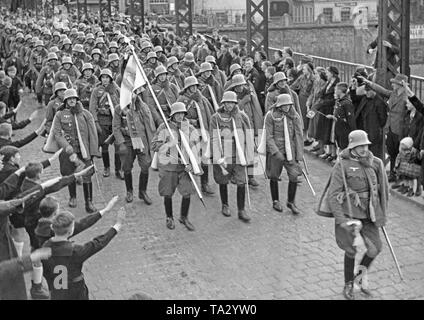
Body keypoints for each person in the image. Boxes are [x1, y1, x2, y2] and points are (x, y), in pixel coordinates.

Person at [317, 130, 389, 300]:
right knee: (350, 250)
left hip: (369, 214)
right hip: (349, 214)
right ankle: (349, 284)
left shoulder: (376, 163)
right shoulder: (342, 165)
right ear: (352, 147)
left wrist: (381, 213)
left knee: (375, 248)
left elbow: (383, 190)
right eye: (360, 146)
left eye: (366, 145)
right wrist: (341, 220)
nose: (364, 148)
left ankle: (359, 278)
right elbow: (333, 195)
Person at [41, 207, 126, 300]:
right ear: (70, 232)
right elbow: (98, 243)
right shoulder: (76, 251)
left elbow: (46, 272)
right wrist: (117, 225)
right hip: (75, 290)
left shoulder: (45, 247)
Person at [151, 102, 201, 231]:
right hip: (168, 167)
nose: (180, 116)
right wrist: (168, 145)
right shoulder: (164, 127)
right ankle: (169, 217)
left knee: (187, 193)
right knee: (168, 193)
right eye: (177, 114)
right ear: (172, 115)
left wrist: (191, 163)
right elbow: (154, 145)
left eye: (182, 113)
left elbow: (196, 147)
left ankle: (184, 217)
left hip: (184, 168)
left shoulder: (189, 128)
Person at [51, 88, 99, 213]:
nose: (72, 101)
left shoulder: (85, 114)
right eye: (69, 99)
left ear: (77, 100)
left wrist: (93, 153)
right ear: (66, 100)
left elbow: (93, 135)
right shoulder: (60, 114)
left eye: (74, 99)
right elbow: (57, 133)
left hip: (83, 150)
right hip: (68, 151)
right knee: (69, 174)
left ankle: (89, 201)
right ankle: (73, 196)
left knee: (87, 175)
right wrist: (67, 146)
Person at [113, 83, 162, 204]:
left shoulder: (142, 107)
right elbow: (116, 127)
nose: (132, 95)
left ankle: (142, 191)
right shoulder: (119, 108)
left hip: (141, 141)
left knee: (145, 165)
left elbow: (149, 125)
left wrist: (152, 142)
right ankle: (129, 191)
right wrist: (121, 143)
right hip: (127, 141)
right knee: (127, 167)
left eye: (134, 93)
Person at [210, 91, 254, 222]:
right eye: (227, 102)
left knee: (241, 182)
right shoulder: (215, 118)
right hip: (224, 155)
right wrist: (217, 156)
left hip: (238, 154)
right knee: (223, 181)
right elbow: (214, 138)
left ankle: (241, 209)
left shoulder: (241, 116)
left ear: (235, 103)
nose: (229, 105)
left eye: (232, 103)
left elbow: (248, 135)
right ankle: (225, 204)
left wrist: (249, 152)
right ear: (223, 103)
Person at [360, 74, 409, 182]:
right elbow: (382, 90)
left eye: (394, 83)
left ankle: (401, 176)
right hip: (390, 126)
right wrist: (369, 83)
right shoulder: (393, 94)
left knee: (401, 153)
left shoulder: (406, 97)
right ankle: (392, 173)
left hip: (400, 128)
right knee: (392, 152)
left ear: (400, 84)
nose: (392, 84)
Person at [263, 94, 303, 214]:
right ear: (279, 106)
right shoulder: (270, 116)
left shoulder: (294, 116)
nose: (286, 107)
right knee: (274, 176)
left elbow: (298, 135)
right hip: (276, 151)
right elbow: (268, 137)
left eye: (288, 105)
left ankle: (291, 201)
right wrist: (275, 152)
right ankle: (275, 200)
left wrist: (299, 154)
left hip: (290, 151)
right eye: (283, 105)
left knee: (294, 175)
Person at [177, 76, 215, 195]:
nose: (193, 88)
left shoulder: (200, 98)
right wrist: (190, 121)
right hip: (189, 131)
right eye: (191, 86)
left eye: (195, 86)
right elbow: (178, 116)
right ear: (187, 88)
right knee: (190, 157)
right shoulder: (182, 100)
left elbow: (207, 112)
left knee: (204, 157)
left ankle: (205, 184)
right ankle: (190, 181)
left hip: (202, 130)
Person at [89, 68, 121, 179]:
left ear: (111, 78)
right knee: (104, 145)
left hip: (114, 121)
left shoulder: (116, 89)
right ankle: (106, 167)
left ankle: (118, 169)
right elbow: (92, 108)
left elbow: (121, 104)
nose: (105, 79)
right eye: (103, 77)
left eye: (107, 77)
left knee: (118, 145)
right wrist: (96, 122)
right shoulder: (96, 90)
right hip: (102, 120)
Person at [350, 81, 388, 160]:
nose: (366, 93)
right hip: (363, 128)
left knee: (373, 153)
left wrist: (375, 127)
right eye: (365, 91)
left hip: (373, 131)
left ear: (374, 91)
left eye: (368, 91)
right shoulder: (365, 97)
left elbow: (383, 120)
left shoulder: (379, 102)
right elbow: (354, 99)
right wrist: (353, 88)